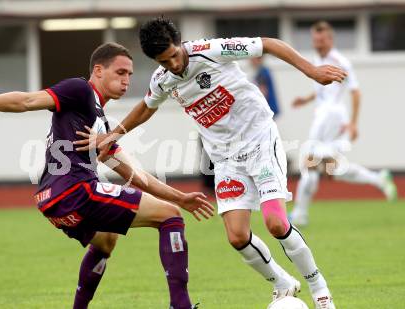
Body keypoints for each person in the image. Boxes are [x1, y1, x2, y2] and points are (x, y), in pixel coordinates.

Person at [74, 18, 347, 309]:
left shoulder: (210, 50)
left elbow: (268, 44)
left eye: (175, 56)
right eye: (164, 62)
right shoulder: (162, 79)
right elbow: (146, 107)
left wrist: (313, 71)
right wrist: (114, 134)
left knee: (276, 223)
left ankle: (321, 291)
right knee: (237, 235)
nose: (174, 65)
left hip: (259, 139)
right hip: (225, 157)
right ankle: (282, 283)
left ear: (180, 44)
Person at [0, 42, 214, 309]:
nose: (126, 80)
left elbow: (135, 175)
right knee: (170, 216)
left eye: (129, 74)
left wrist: (182, 197)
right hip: (76, 190)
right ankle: (182, 306)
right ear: (98, 70)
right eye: (120, 72)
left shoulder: (100, 122)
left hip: (52, 201)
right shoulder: (80, 89)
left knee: (107, 239)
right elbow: (28, 100)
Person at [290, 21, 397, 226]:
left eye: (321, 41)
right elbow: (323, 89)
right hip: (324, 115)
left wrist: (353, 124)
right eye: (315, 40)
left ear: (330, 39)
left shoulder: (339, 61)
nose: (318, 44)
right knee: (331, 169)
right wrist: (306, 99)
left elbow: (355, 91)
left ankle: (300, 214)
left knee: (309, 162)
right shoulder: (318, 59)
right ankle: (378, 179)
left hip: (330, 117)